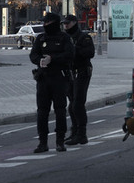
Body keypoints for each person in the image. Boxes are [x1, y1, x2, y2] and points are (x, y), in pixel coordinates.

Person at [29, 12, 75, 153]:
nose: (44, 25)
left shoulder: (64, 38)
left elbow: (69, 55)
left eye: (47, 22)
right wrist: (39, 61)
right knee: (42, 112)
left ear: (54, 23)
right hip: (43, 78)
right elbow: (33, 55)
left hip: (59, 78)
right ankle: (42, 142)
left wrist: (52, 59)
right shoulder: (41, 38)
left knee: (60, 110)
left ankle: (60, 141)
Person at [63, 14, 95, 145]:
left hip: (81, 72)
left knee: (77, 104)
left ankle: (82, 134)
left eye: (68, 23)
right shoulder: (64, 37)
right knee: (72, 105)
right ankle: (74, 132)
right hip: (69, 73)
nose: (66, 26)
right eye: (64, 24)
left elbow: (90, 53)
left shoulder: (83, 37)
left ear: (74, 23)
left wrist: (74, 50)